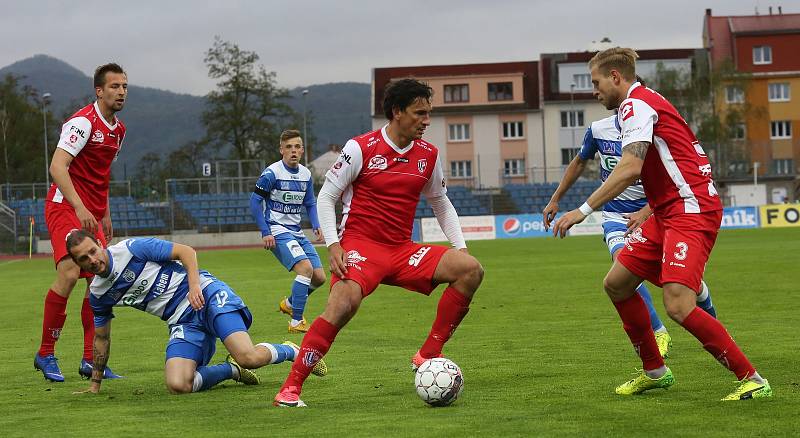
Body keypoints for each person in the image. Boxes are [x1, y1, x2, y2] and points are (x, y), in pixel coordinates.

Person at [552, 47, 771, 400]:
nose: (594, 92)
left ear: (615, 77)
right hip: (669, 209)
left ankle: (753, 379)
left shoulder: (634, 105)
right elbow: (668, 161)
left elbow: (631, 167)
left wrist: (583, 209)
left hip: (690, 209)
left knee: (677, 305)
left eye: (596, 83)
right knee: (618, 283)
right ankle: (655, 371)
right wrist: (651, 208)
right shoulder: (643, 101)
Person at [272, 78, 484, 407]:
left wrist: (460, 248)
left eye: (429, 114)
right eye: (420, 113)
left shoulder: (429, 154)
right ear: (397, 112)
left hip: (402, 249)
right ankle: (290, 387)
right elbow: (326, 197)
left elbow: (440, 201)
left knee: (470, 269)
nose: (426, 121)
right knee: (342, 304)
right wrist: (333, 245)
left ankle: (427, 354)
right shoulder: (361, 148)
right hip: (361, 247)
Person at [543, 91, 718, 358]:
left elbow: (669, 177)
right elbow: (579, 162)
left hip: (655, 212)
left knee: (671, 278)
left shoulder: (649, 127)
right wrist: (556, 199)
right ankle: (658, 332)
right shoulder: (598, 130)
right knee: (622, 266)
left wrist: (647, 211)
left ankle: (703, 301)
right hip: (614, 214)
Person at [66, 230, 327, 395]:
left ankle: (291, 351)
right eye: (83, 259)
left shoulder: (131, 248)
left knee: (248, 356)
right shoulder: (99, 294)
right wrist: (95, 385)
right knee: (178, 385)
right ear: (78, 265)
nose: (92, 260)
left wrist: (193, 287)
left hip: (207, 294)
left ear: (100, 244)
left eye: (92, 251)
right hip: (181, 320)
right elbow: (101, 338)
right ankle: (231, 370)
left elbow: (185, 251)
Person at [35, 63, 128, 382]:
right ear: (99, 91)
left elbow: (100, 175)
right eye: (114, 86)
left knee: (100, 280)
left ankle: (91, 360)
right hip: (65, 205)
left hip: (91, 212)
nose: (121, 92)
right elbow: (58, 168)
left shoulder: (119, 130)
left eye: (124, 87)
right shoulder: (82, 122)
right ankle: (46, 353)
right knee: (71, 271)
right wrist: (80, 206)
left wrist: (105, 212)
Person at [249, 129, 325, 333]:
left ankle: (290, 304)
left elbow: (310, 202)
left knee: (319, 277)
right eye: (289, 147)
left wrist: (316, 224)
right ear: (281, 150)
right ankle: (296, 322)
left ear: (302, 150)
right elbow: (255, 202)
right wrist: (265, 231)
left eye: (297, 147)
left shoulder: (306, 174)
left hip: (297, 232)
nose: (293, 151)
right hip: (277, 229)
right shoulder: (271, 173)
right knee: (305, 270)